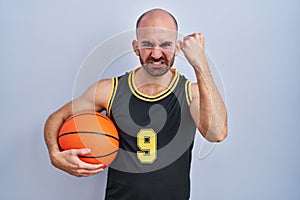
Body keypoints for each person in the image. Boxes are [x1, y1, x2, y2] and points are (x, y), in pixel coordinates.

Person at [44, 8, 228, 200]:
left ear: (177, 48)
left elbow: (217, 134)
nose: (156, 54)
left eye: (165, 45)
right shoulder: (109, 90)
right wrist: (55, 155)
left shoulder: (192, 92)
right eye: (148, 44)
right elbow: (57, 117)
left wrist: (201, 64)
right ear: (135, 47)